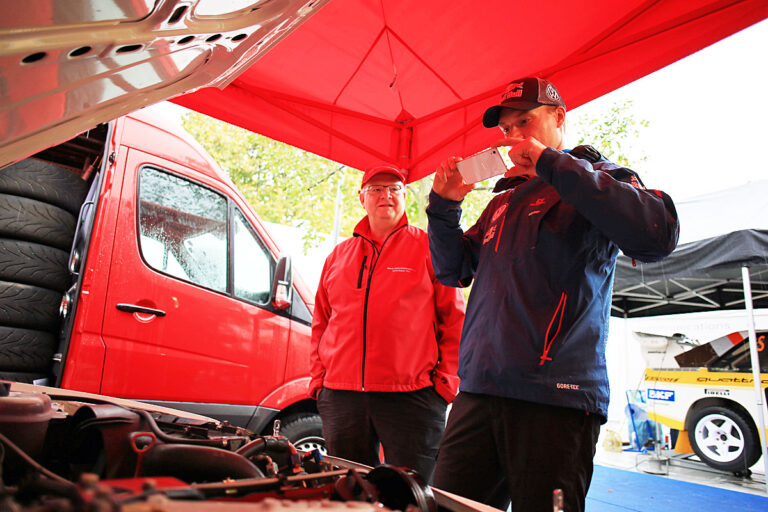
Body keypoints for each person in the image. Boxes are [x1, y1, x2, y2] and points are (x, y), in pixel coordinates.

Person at [427, 77, 679, 511]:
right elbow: (452, 271)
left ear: (559, 118)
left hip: (556, 397)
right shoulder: (501, 201)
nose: (514, 137)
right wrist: (444, 208)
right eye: (507, 129)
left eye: (525, 121)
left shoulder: (600, 178)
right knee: (447, 506)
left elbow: (656, 236)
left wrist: (552, 165)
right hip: (481, 390)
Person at [309, 164, 464, 482]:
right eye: (376, 189)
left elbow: (455, 320)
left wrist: (445, 385)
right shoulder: (338, 256)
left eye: (394, 188)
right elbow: (321, 322)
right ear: (361, 198)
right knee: (348, 493)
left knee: (412, 495)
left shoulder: (429, 248)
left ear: (405, 197)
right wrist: (318, 382)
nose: (386, 196)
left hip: (412, 396)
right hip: (341, 395)